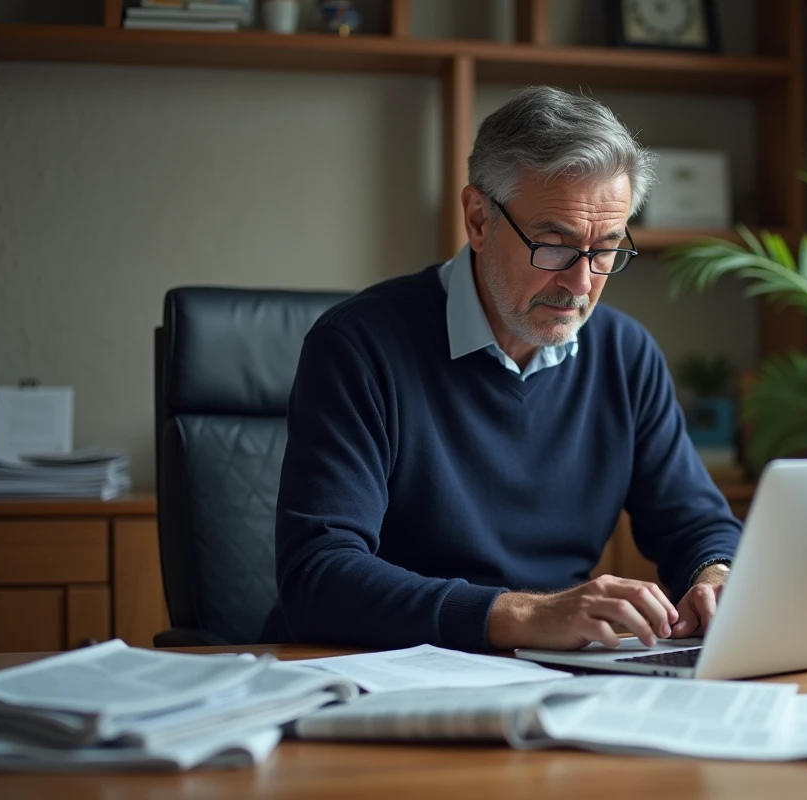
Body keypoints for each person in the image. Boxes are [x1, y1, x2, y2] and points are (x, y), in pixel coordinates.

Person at [273, 85, 741, 653]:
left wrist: (716, 576)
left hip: (554, 674)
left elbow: (697, 523)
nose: (581, 283)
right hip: (384, 674)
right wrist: (520, 615)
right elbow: (318, 577)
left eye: (607, 251)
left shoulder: (625, 355)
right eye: (554, 245)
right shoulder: (357, 347)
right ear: (477, 219)